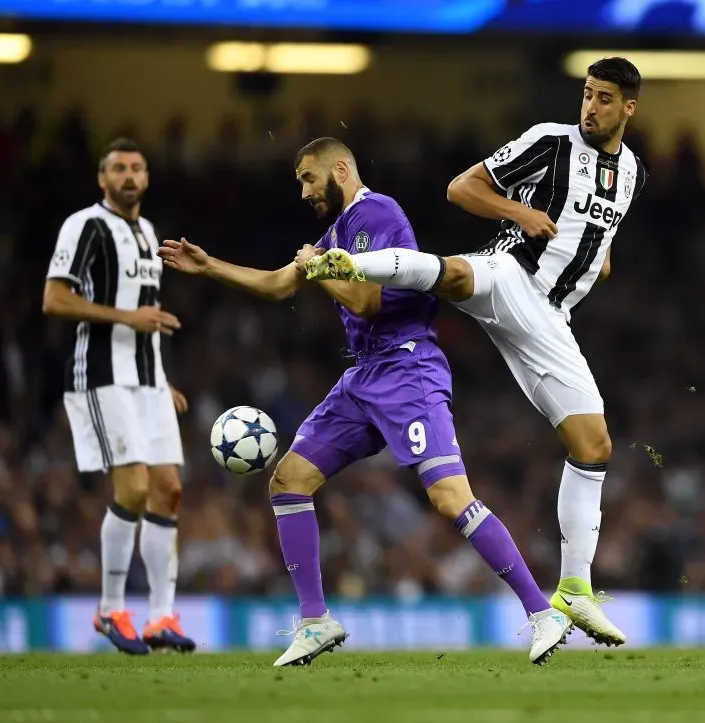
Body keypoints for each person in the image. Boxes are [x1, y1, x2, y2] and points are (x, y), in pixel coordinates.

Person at [157, 137, 572, 667]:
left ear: (341, 169)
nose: (304, 191)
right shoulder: (334, 235)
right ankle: (314, 621)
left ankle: (542, 612)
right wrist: (209, 265)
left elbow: (367, 297)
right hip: (364, 376)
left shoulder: (377, 214)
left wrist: (322, 267)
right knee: (289, 479)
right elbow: (279, 285)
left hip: (407, 368)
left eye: (309, 178)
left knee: (449, 497)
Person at [305, 57, 647, 647]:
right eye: (587, 94)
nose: (590, 107)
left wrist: (587, 262)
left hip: (550, 317)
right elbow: (461, 187)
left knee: (594, 446)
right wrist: (519, 212)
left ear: (629, 108)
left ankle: (574, 590)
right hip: (513, 273)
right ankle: (352, 263)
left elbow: (602, 247)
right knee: (459, 276)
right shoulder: (551, 142)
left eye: (604, 98)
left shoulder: (634, 172)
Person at [43, 138, 195, 655]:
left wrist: (161, 379)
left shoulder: (148, 232)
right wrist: (127, 319)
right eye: (118, 169)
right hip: (102, 374)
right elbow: (54, 298)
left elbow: (147, 310)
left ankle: (160, 617)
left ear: (147, 178)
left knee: (168, 489)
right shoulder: (83, 225)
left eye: (136, 168)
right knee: (131, 488)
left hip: (146, 376)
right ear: (102, 179)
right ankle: (110, 609)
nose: (129, 176)